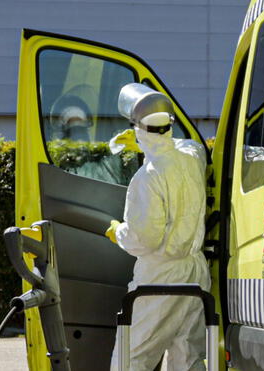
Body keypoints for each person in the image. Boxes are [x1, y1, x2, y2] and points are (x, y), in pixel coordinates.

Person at [105, 83, 211, 370]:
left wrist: (118, 232)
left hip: (159, 278)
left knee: (132, 356)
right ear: (169, 126)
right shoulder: (191, 158)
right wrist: (149, 143)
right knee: (188, 355)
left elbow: (145, 238)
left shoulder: (147, 178)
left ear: (138, 129)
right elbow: (191, 146)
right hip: (195, 272)